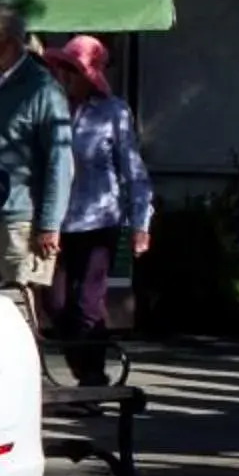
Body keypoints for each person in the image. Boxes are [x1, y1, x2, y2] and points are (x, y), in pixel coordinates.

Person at [43, 37, 151, 385]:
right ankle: (87, 372)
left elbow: (133, 170)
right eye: (65, 69)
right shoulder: (53, 107)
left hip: (99, 219)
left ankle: (91, 381)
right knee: (55, 303)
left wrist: (140, 222)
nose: (67, 76)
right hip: (58, 219)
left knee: (86, 303)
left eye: (74, 70)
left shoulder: (113, 111)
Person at [0, 2, 72, 301]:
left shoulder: (44, 89)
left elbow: (61, 160)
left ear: (9, 40)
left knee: (21, 306)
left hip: (22, 220)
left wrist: (49, 224)